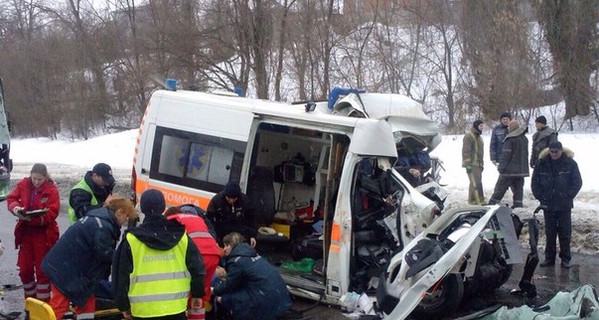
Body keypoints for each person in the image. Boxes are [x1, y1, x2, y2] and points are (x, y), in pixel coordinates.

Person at [113, 189, 205, 320]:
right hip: (175, 309)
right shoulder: (182, 237)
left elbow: (120, 276)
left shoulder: (132, 240)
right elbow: (197, 268)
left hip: (143, 311)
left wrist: (123, 305)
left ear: (142, 209)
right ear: (163, 208)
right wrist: (197, 294)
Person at [41, 196, 136, 320]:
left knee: (86, 301)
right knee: (60, 305)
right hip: (64, 271)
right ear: (120, 212)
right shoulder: (103, 227)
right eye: (126, 217)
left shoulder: (98, 219)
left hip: (64, 266)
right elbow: (105, 254)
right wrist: (125, 259)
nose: (125, 221)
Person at [6, 163, 59, 301]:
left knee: (42, 273)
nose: (36, 182)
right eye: (34, 178)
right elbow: (11, 198)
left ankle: (43, 306)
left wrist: (36, 219)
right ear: (31, 175)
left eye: (39, 179)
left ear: (45, 177)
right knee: (25, 270)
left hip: (44, 235)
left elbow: (53, 212)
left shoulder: (51, 190)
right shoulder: (23, 184)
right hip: (26, 233)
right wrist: (16, 208)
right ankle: (30, 303)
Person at [213, 232, 291, 320]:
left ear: (232, 246)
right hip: (281, 301)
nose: (224, 249)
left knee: (224, 298)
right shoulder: (252, 255)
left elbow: (230, 285)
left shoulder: (237, 261)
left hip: (263, 302)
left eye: (227, 245)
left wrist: (214, 291)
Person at [531, 141, 582, 269]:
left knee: (565, 233)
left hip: (564, 205)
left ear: (561, 151)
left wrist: (568, 195)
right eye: (552, 151)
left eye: (556, 152)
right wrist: (541, 197)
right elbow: (535, 183)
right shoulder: (541, 164)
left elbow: (577, 182)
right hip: (548, 204)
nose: (554, 154)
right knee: (550, 232)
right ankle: (549, 258)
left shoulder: (570, 164)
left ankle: (565, 258)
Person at [165, 204, 221, 319]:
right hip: (213, 255)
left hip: (196, 256)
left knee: (187, 291)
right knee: (201, 293)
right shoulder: (197, 218)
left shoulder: (171, 219)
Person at [488, 120, 529, 208]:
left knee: (500, 189)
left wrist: (501, 167)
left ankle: (491, 205)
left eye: (509, 127)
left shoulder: (510, 139)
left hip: (509, 171)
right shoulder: (524, 139)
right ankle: (518, 206)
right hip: (521, 171)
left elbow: (505, 155)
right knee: (518, 190)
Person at [206, 180, 257, 247]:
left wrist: (252, 236)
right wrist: (214, 239)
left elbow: (251, 219)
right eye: (229, 198)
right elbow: (209, 222)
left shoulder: (245, 201)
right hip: (221, 233)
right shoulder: (216, 201)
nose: (231, 201)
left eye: (234, 198)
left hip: (239, 233)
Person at [462, 120, 485, 205]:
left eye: (482, 126)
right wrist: (467, 163)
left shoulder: (479, 137)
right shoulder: (469, 136)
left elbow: (480, 152)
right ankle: (479, 201)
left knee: (474, 182)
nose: (482, 128)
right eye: (480, 126)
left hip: (478, 164)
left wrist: (482, 164)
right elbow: (466, 151)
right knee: (476, 183)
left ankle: (472, 201)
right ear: (476, 126)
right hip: (472, 165)